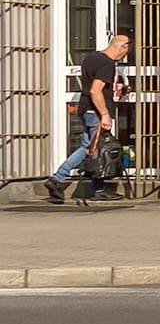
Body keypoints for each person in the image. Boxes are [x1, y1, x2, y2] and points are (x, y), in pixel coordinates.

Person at [45, 30, 130, 206]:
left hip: (86, 109)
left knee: (91, 148)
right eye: (125, 51)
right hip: (96, 112)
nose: (124, 55)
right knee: (92, 149)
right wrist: (105, 114)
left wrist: (117, 90)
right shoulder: (107, 64)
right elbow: (95, 90)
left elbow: (94, 86)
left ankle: (96, 189)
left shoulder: (91, 58)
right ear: (122, 47)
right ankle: (58, 179)